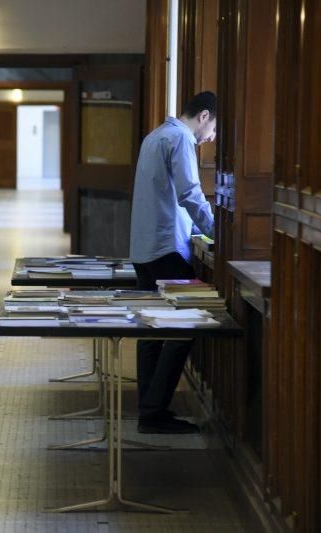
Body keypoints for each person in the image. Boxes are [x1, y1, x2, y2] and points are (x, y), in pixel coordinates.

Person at [129, 92, 217, 433]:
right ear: (205, 116)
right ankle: (153, 410)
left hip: (144, 246)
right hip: (165, 248)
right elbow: (189, 193)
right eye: (215, 128)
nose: (212, 138)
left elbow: (168, 196)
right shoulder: (180, 138)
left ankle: (148, 410)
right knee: (188, 325)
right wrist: (216, 231)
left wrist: (198, 227)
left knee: (151, 329)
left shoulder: (155, 136)